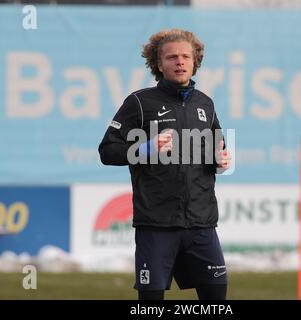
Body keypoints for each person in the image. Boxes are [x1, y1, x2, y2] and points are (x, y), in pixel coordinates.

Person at [98, 29, 232, 300]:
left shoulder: (205, 103)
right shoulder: (139, 102)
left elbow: (219, 151)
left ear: (195, 61)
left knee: (217, 297)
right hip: (156, 224)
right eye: (172, 57)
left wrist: (221, 162)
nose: (179, 62)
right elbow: (107, 151)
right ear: (159, 64)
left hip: (201, 224)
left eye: (185, 56)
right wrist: (145, 149)